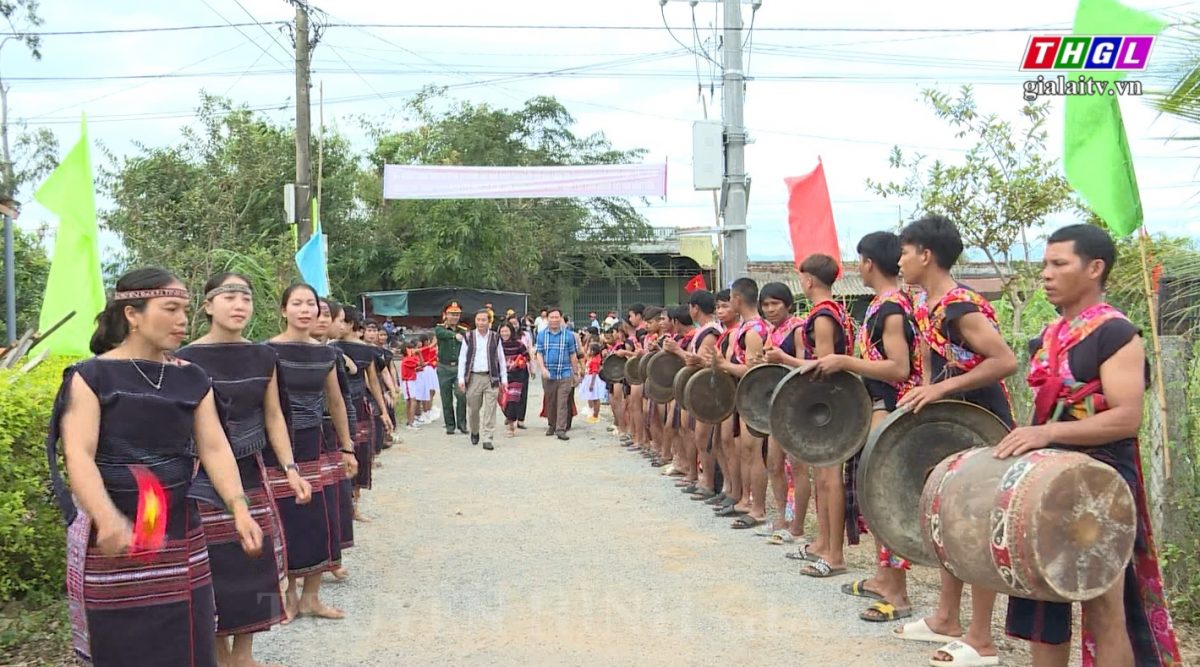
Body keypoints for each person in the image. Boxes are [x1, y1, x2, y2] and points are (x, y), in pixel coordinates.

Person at [47, 267, 264, 666]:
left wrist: (239, 507)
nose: (183, 320)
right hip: (110, 536)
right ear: (133, 313)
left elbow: (214, 448)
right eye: (170, 308)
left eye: (185, 309)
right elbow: (78, 454)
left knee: (190, 642)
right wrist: (108, 519)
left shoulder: (194, 379)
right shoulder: (91, 376)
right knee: (121, 646)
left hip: (179, 529)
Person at [995, 224, 1181, 667]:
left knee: (1104, 608)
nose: (1046, 273)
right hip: (1046, 479)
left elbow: (1125, 417)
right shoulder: (1049, 335)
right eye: (1045, 264)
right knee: (1044, 604)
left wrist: (1047, 434)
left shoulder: (1117, 335)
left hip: (1101, 484)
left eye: (1059, 264)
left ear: (1095, 268)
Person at [891, 214, 1017, 666]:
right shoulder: (927, 303)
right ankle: (946, 617)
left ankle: (981, 638)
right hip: (952, 420)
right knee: (946, 514)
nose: (899, 260)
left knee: (974, 523)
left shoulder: (960, 307)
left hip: (983, 421)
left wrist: (941, 390)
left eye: (904, 252)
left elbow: (1005, 361)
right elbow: (932, 366)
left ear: (926, 255)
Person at [176, 272, 313, 666]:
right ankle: (219, 653)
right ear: (207, 306)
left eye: (246, 298)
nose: (239, 306)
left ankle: (245, 655)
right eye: (229, 297)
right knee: (214, 564)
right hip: (200, 478)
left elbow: (272, 416)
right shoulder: (185, 359)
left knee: (256, 560)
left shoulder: (263, 356)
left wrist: (289, 467)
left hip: (252, 470)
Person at [807, 232, 922, 623]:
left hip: (889, 408)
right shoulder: (881, 305)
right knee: (874, 499)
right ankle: (882, 578)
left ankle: (897, 593)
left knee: (885, 497)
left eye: (859, 260)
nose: (857, 267)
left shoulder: (891, 308)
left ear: (870, 262)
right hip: (874, 407)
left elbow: (899, 369)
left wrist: (845, 362)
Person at [267, 283, 358, 622]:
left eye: (312, 305)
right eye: (297, 303)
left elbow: (335, 401)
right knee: (289, 518)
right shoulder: (266, 352)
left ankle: (312, 598)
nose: (306, 310)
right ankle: (289, 597)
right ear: (283, 310)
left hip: (319, 443)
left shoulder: (326, 354)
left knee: (322, 517)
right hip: (279, 445)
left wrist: (347, 447)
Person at [711, 278, 769, 529]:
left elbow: (754, 371)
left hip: (753, 399)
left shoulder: (754, 330)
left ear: (737, 300)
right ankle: (744, 498)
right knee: (743, 451)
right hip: (740, 398)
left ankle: (757, 507)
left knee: (753, 453)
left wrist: (724, 365)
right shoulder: (744, 328)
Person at [757, 281, 810, 545]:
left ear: (787, 304)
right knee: (774, 464)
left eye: (775, 303)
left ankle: (798, 526)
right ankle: (783, 517)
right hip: (775, 405)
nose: (770, 309)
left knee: (797, 467)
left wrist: (782, 359)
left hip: (796, 404)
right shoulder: (771, 332)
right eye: (765, 305)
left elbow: (804, 366)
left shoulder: (798, 329)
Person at [457, 309, 507, 450]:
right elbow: (462, 358)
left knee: (490, 409)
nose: (480, 322)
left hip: (491, 377)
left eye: (483, 320)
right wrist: (461, 378)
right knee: (473, 409)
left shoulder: (495, 337)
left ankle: (487, 438)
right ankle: (474, 430)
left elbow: (501, 359)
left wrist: (504, 379)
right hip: (473, 377)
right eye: (478, 319)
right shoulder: (469, 337)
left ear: (489, 321)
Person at [536, 307, 581, 441]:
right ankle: (552, 424)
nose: (554, 320)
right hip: (549, 374)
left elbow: (573, 354)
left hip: (565, 373)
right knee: (551, 401)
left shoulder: (569, 336)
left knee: (562, 402)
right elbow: (539, 353)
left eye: (557, 317)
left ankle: (561, 429)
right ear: (547, 319)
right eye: (552, 317)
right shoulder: (542, 335)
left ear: (561, 318)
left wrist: (575, 372)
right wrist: (542, 368)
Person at [435, 301, 469, 436]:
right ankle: (450, 425)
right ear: (445, 315)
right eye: (452, 314)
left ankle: (462, 424)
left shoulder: (464, 330)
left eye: (457, 314)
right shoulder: (440, 329)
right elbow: (441, 334)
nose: (454, 317)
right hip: (444, 367)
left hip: (459, 368)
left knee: (461, 395)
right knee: (446, 397)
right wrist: (454, 336)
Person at [500, 322, 531, 437]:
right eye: (502, 331)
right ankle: (509, 417)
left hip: (517, 375)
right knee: (503, 400)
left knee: (513, 399)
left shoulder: (519, 344)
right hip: (502, 375)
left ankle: (510, 426)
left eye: (506, 331)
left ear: (511, 332)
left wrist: (518, 361)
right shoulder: (497, 344)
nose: (504, 333)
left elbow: (527, 356)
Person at [581, 342, 604, 423]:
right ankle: (593, 413)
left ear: (593, 351)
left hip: (592, 379)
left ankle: (595, 415)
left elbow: (594, 372)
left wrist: (592, 384)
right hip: (589, 378)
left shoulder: (594, 361)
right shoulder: (592, 359)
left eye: (589, 349)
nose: (587, 351)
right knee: (592, 397)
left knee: (595, 398)